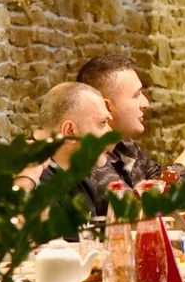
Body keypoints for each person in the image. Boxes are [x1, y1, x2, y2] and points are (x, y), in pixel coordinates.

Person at [76, 54, 185, 194]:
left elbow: (171, 196)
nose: (146, 103)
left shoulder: (127, 147)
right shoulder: (85, 156)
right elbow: (137, 210)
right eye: (136, 95)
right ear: (106, 107)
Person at [20, 82, 115, 216]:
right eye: (102, 123)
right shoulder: (31, 178)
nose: (110, 131)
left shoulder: (79, 177)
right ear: (69, 131)